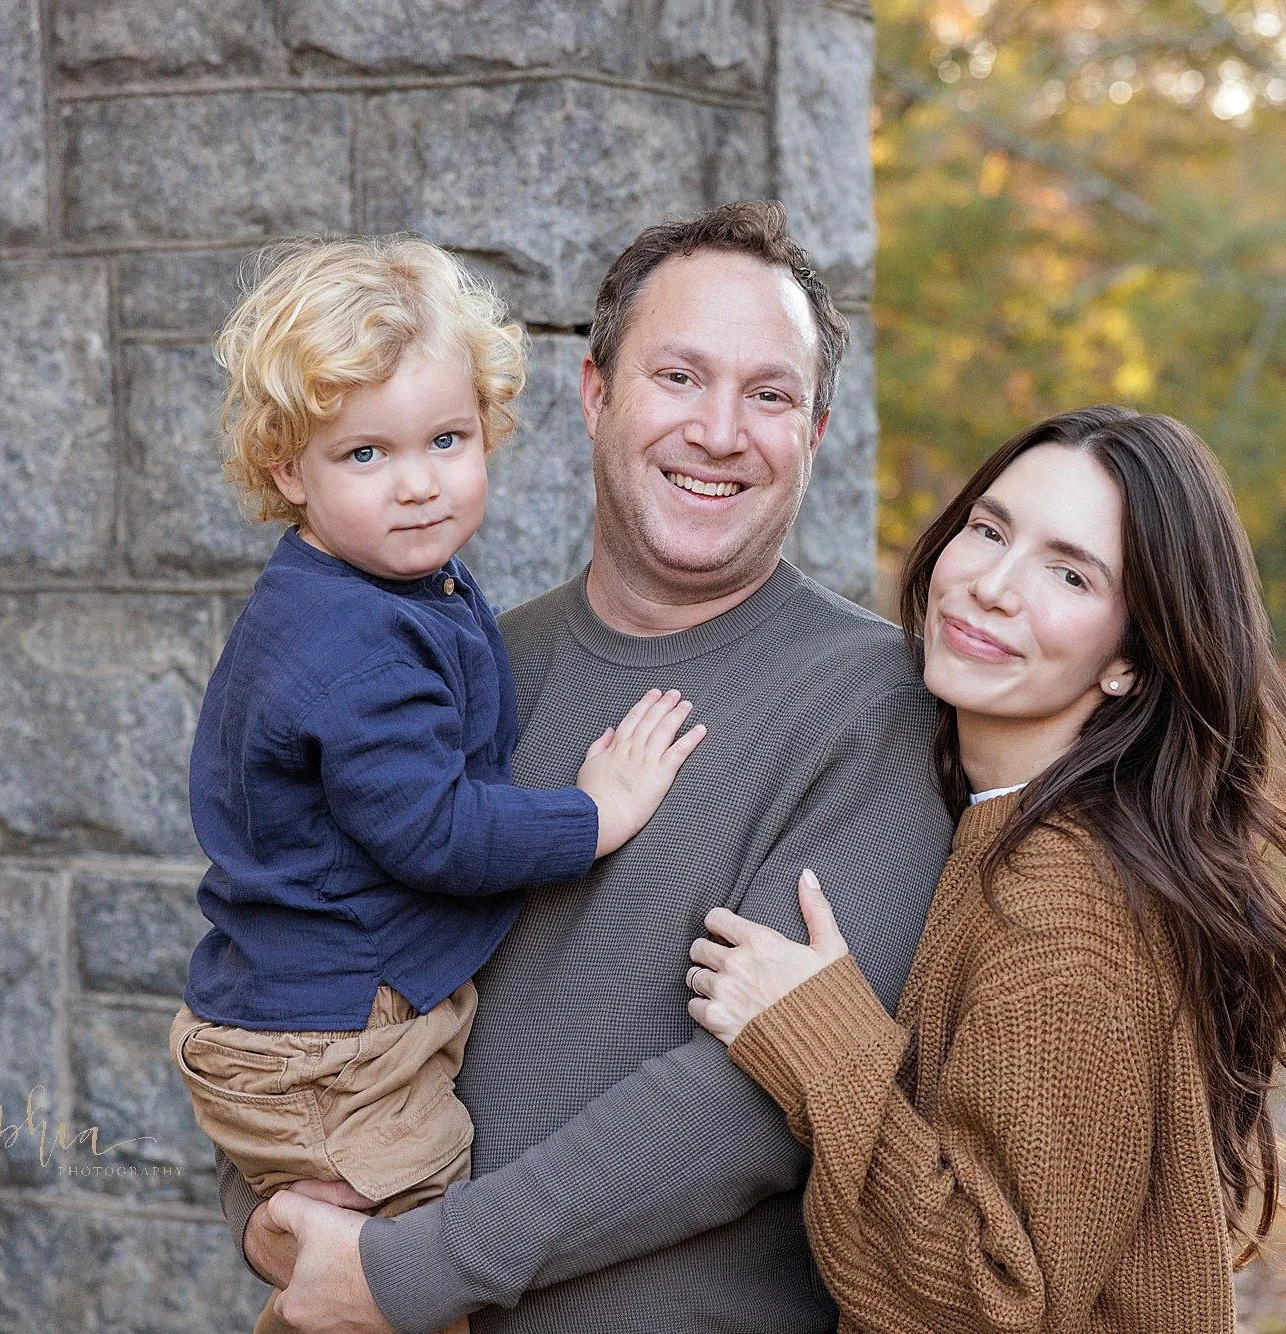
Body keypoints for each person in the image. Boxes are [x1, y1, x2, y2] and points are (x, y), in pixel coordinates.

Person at [215, 201, 958, 1333]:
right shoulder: (460, 668)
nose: (718, 429)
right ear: (595, 393)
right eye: (678, 377)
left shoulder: (877, 705)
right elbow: (295, 948)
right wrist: (272, 1203)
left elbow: (754, 1096)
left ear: (811, 434)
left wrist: (414, 1268)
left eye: (768, 394)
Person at [171, 236, 707, 1334]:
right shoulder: (354, 647)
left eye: (446, 439)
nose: (418, 482)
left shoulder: (382, 585)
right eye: (364, 454)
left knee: (354, 1263)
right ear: (289, 471)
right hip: (328, 1040)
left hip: (311, 1019)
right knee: (398, 1275)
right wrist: (594, 814)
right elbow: (432, 831)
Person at [687, 406, 1286, 1332]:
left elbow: (995, 1301)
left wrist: (819, 1043)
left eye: (1069, 573)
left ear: (1131, 664)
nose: (992, 585)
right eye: (989, 530)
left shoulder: (1061, 904)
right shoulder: (1017, 825)